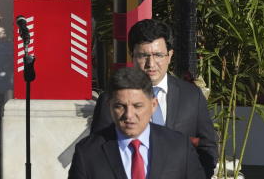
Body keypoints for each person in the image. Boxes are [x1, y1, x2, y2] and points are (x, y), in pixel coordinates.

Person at [91, 19, 217, 178]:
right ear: (132, 55)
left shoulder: (191, 96)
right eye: (143, 55)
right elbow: (97, 153)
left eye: (158, 55)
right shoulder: (110, 100)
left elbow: (207, 148)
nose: (151, 64)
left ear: (169, 55)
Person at [70, 66, 205, 179]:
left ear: (153, 105)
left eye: (137, 106)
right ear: (109, 106)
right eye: (120, 106)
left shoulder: (179, 147)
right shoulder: (88, 152)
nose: (129, 115)